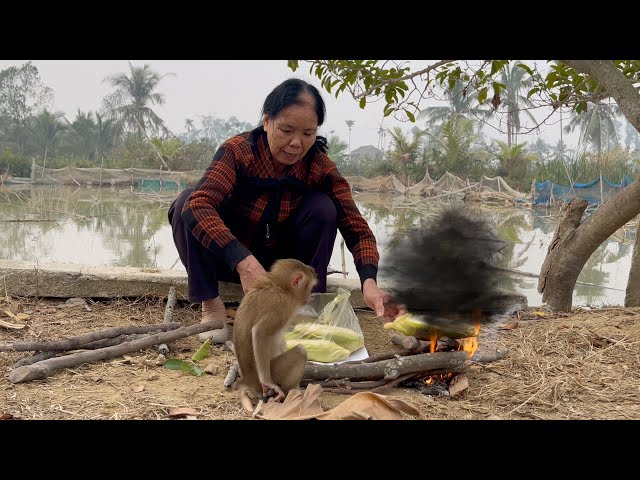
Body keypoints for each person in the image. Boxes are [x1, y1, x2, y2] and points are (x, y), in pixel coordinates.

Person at [169, 78, 406, 343]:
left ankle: (304, 305)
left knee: (323, 208)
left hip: (281, 272)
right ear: (267, 121)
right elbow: (199, 206)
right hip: (230, 260)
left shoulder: (319, 167)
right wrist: (243, 262)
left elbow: (357, 229)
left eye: (307, 134)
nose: (296, 143)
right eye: (287, 130)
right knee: (186, 203)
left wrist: (369, 283)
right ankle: (212, 305)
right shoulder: (238, 152)